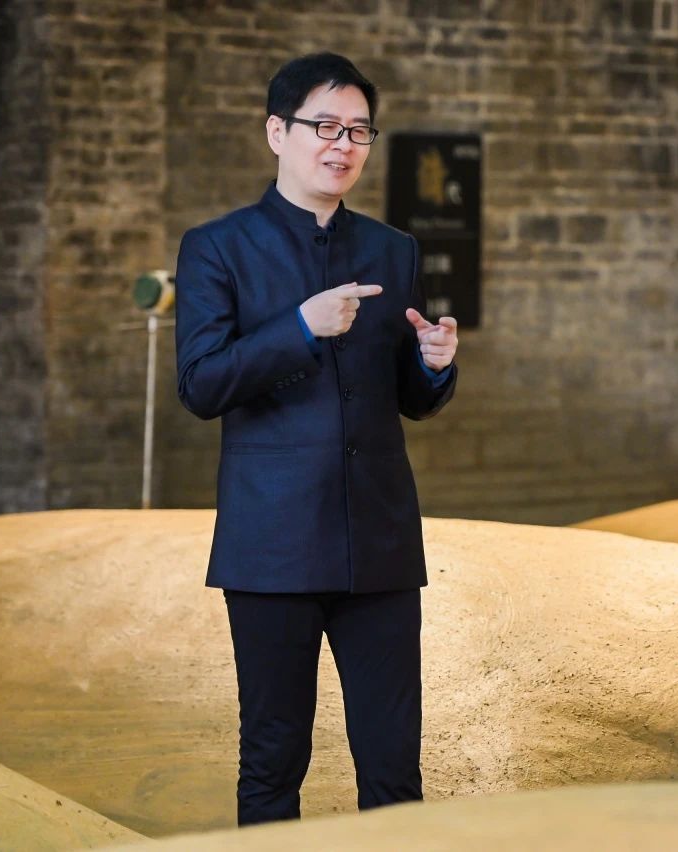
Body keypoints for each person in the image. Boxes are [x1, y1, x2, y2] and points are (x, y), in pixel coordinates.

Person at [175, 52, 458, 825]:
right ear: (278, 132)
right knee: (272, 762)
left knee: (395, 767)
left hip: (381, 543)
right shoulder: (218, 247)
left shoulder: (394, 250)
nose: (343, 145)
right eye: (325, 127)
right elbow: (200, 384)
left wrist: (434, 366)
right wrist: (299, 327)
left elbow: (409, 399)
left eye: (359, 131)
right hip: (272, 547)